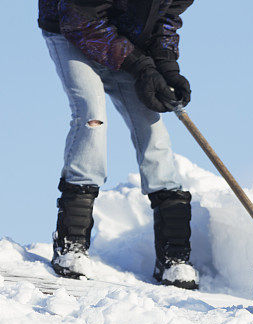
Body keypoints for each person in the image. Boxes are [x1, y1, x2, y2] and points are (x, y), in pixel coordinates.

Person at [38, 0, 198, 290]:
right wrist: (141, 66)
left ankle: (174, 256)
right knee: (92, 117)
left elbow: (166, 17)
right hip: (72, 30)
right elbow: (80, 19)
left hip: (123, 41)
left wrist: (165, 66)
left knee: (152, 132)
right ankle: (71, 244)